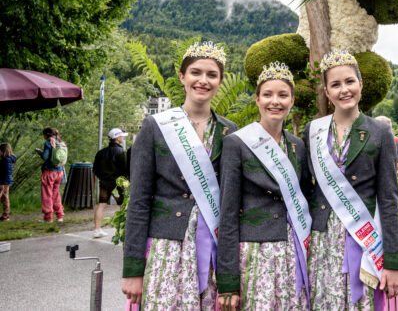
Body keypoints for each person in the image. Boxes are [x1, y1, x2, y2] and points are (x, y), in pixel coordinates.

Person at [122, 42, 238, 309]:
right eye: (196, 72)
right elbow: (139, 201)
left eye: (212, 75)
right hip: (166, 248)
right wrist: (132, 269)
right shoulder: (155, 127)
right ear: (182, 77)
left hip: (211, 250)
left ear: (219, 81)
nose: (203, 80)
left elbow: (232, 206)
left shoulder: (230, 132)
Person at [303, 50, 398, 310]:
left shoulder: (380, 132)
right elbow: (304, 189)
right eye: (335, 84)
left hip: (364, 240)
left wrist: (393, 263)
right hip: (323, 240)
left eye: (349, 81)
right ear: (326, 92)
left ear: (361, 84)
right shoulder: (313, 131)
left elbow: (390, 199)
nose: (343, 89)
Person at [217, 62, 312, 310]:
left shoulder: (297, 146)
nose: (275, 102)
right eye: (268, 94)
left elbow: (303, 199)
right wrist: (228, 282)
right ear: (257, 99)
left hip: (292, 251)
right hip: (254, 252)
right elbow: (227, 213)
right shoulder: (237, 143)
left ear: (291, 101)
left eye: (283, 95)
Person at [92, 128, 129, 238]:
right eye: (122, 136)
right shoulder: (121, 152)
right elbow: (126, 169)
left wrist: (101, 178)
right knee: (123, 205)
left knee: (101, 205)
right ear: (117, 138)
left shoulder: (100, 153)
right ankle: (124, 230)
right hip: (118, 184)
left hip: (104, 183)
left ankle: (97, 230)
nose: (123, 137)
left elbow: (95, 170)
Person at [38, 127, 65, 222]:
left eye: (44, 135)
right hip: (60, 171)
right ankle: (60, 215)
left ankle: (48, 217)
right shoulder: (61, 143)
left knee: (47, 194)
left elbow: (45, 157)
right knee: (56, 194)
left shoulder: (48, 143)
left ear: (47, 134)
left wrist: (40, 153)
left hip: (49, 172)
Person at [0, 143, 17, 221]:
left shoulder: (5, 160)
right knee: (5, 198)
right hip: (7, 181)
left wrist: (2, 182)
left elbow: (5, 172)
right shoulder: (10, 159)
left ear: (3, 151)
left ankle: (5, 215)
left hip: (3, 182)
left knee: (4, 198)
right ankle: (5, 215)